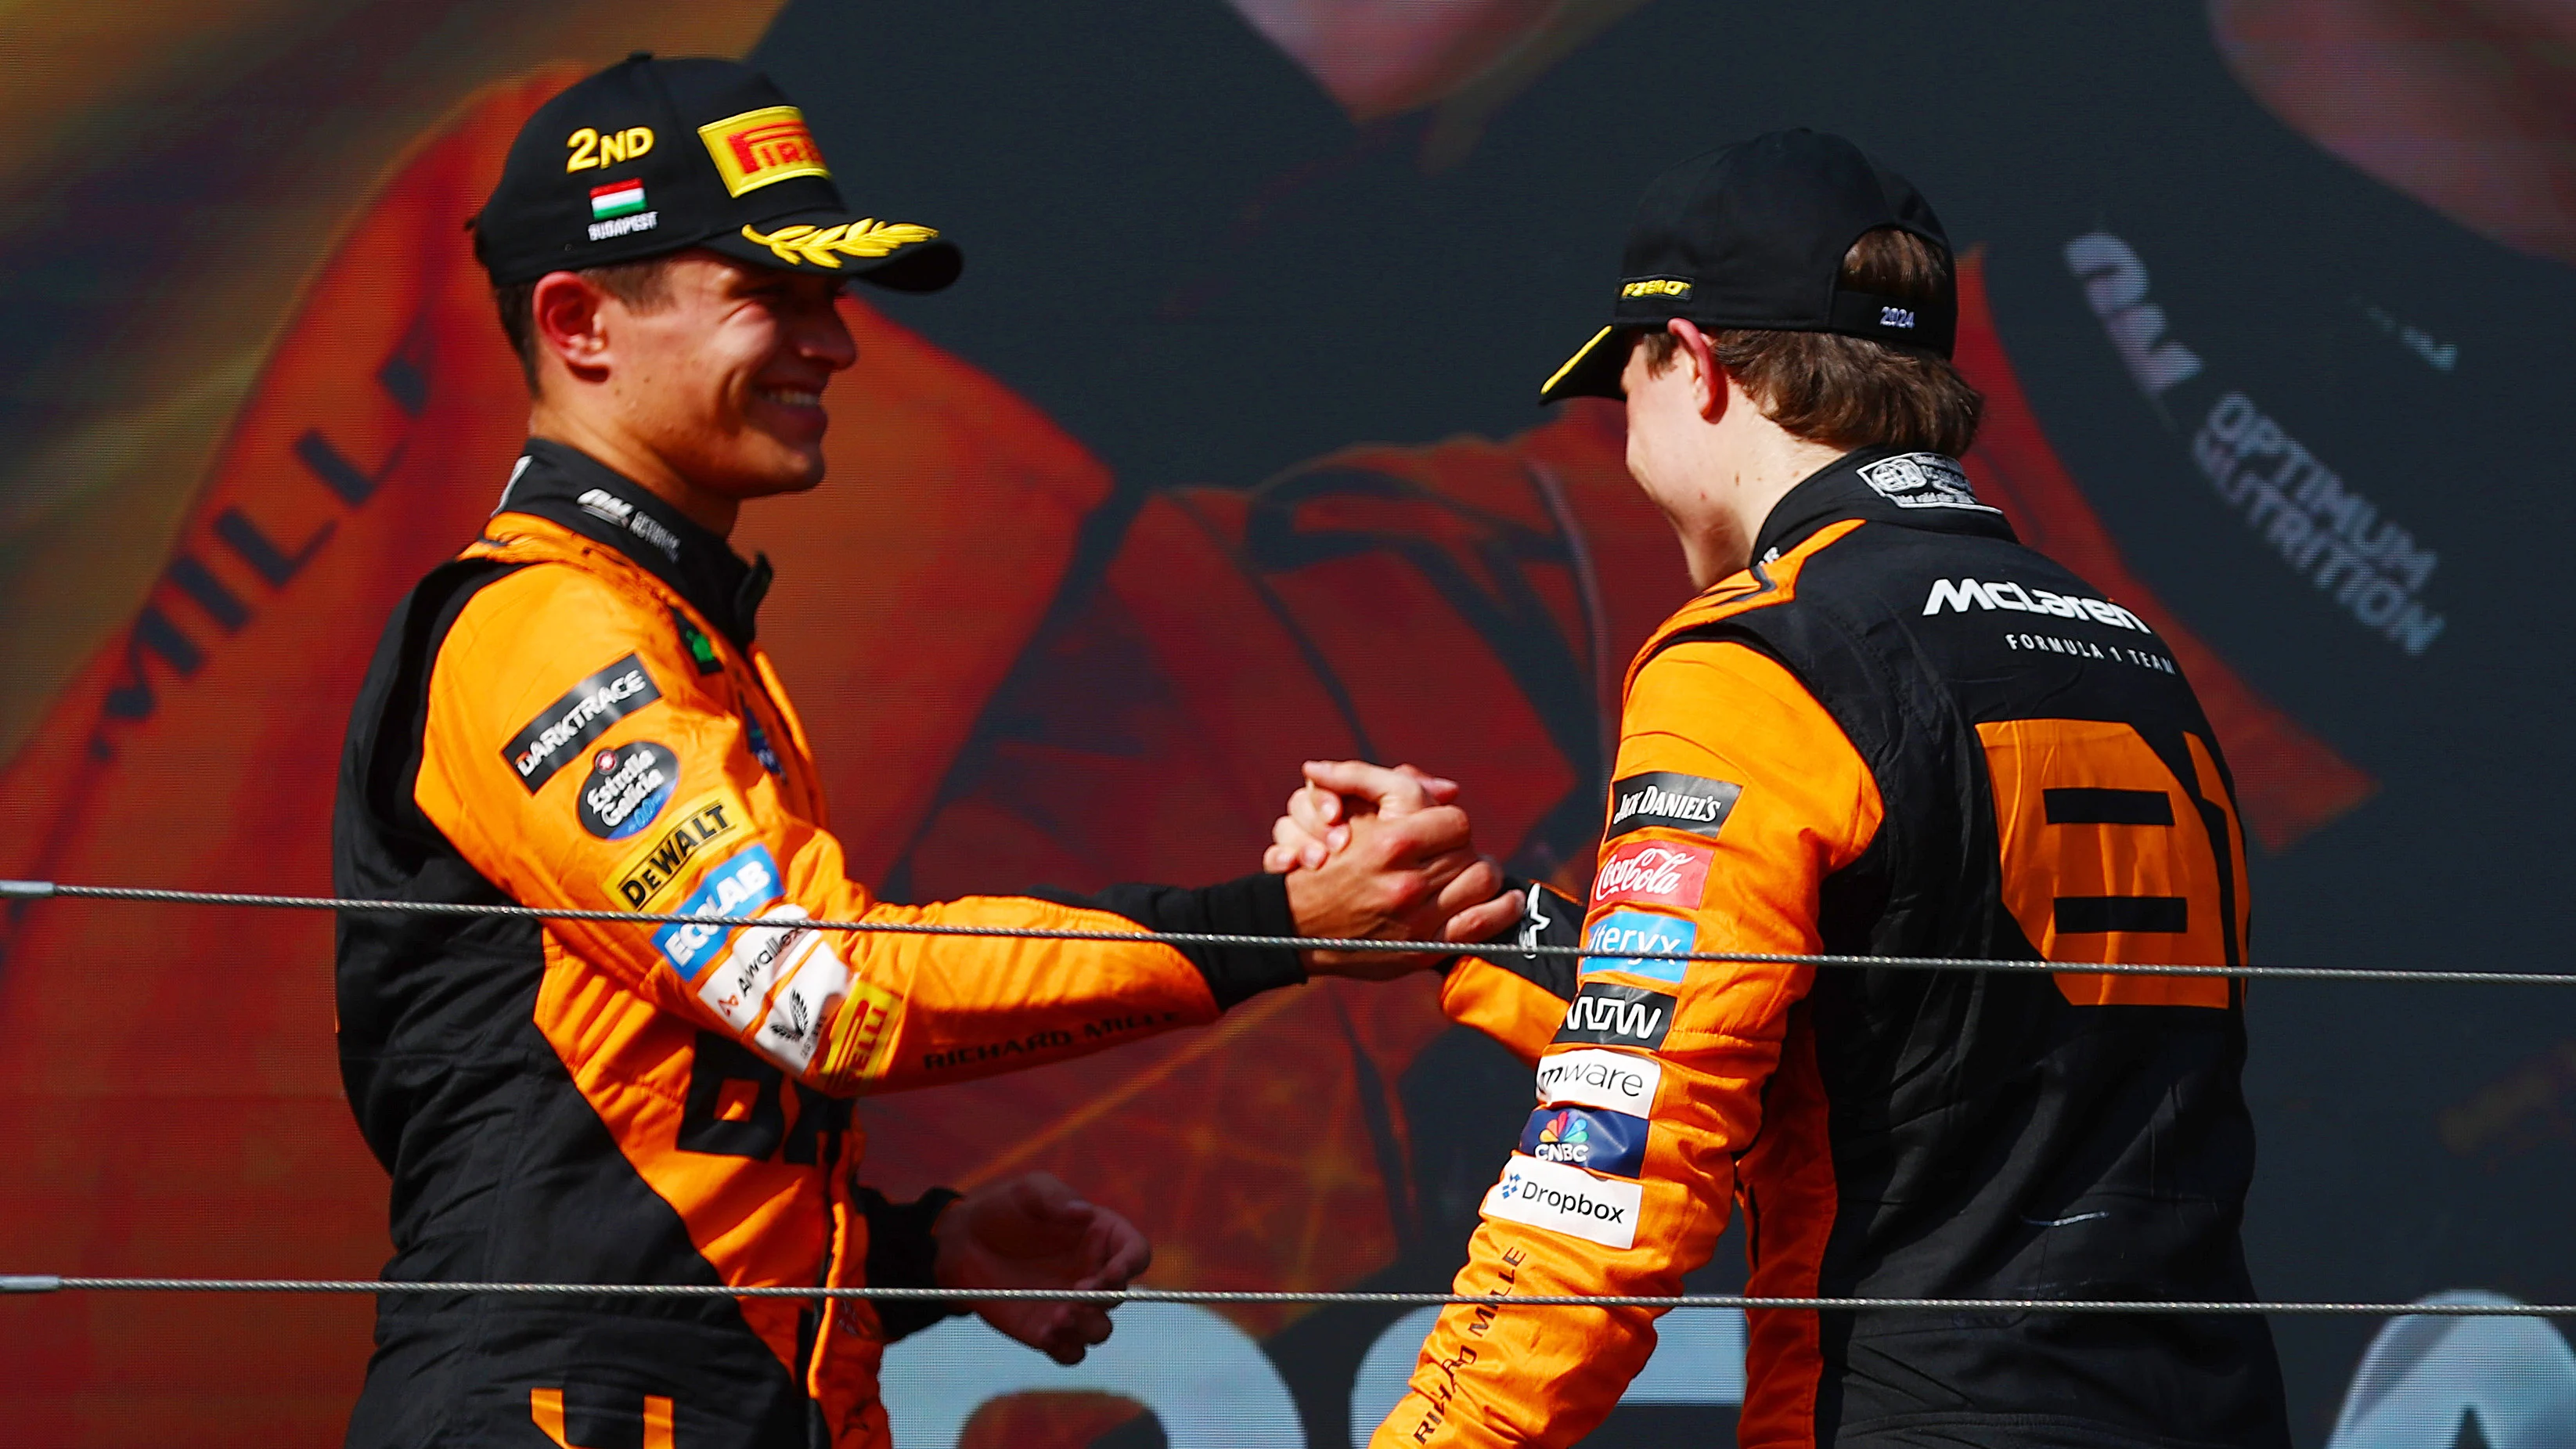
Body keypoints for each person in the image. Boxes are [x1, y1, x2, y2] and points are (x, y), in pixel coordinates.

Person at [330, 55, 1502, 1449]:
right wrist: (1276, 927)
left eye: (834, 298)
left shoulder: (676, 627)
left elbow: (653, 1123)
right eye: (772, 296)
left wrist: (912, 1253)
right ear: (580, 322)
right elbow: (820, 990)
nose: (836, 344)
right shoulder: (549, 628)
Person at [1273, 130, 2291, 1448]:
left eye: (1618, 387)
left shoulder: (1763, 652)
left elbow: (1619, 1146)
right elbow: (1891, 1034)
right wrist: (1469, 923)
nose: (1620, 437)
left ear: (1693, 367)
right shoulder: (2117, 639)